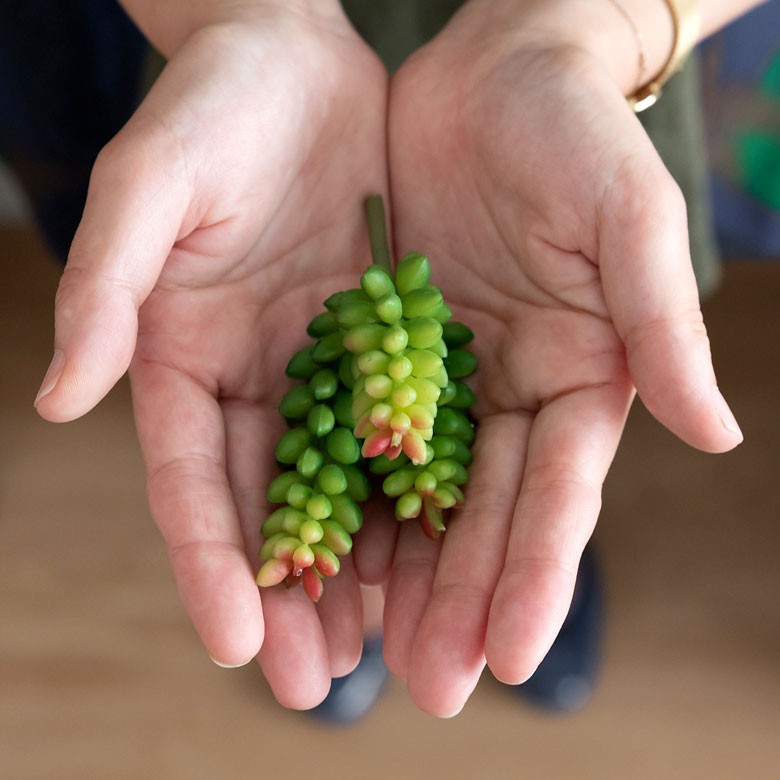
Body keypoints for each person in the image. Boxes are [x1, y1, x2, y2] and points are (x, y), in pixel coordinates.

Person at [12, 0, 762, 718]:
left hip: (565, 101)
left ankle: (523, 572)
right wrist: (233, 13)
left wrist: (593, 21)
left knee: (551, 394)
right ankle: (373, 609)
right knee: (497, 420)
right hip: (241, 93)